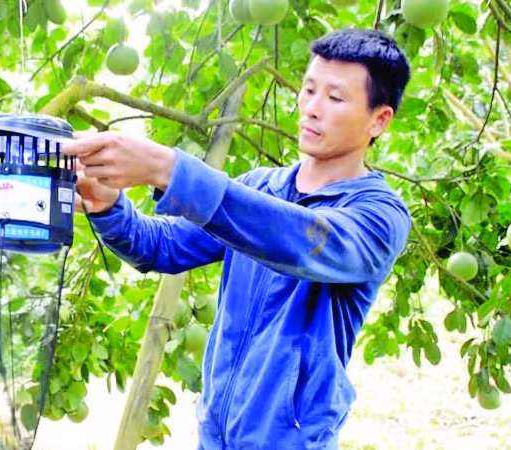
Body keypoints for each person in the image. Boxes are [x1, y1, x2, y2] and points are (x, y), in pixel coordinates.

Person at [62, 28, 412, 449]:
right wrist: (108, 208)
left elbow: (303, 241)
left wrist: (169, 170)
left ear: (379, 119)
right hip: (215, 434)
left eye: (335, 98)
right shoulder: (260, 187)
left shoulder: (379, 215)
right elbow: (162, 247)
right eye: (308, 90)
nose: (311, 108)